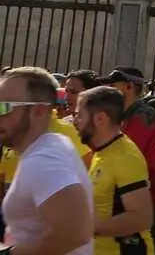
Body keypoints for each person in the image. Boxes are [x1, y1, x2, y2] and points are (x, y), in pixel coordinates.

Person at [0, 67, 93, 255]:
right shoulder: (53, 145)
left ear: (39, 111)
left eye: (4, 107)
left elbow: (75, 232)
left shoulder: (43, 158)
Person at [75, 85, 155, 255]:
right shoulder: (102, 150)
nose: (75, 121)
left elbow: (141, 218)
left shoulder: (125, 157)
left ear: (100, 119)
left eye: (79, 115)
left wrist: (84, 226)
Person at [101, 66, 155, 253]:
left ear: (128, 86)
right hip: (127, 197)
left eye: (113, 86)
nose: (109, 90)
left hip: (148, 199)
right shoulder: (122, 115)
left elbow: (127, 154)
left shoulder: (143, 114)